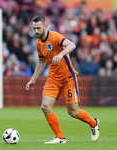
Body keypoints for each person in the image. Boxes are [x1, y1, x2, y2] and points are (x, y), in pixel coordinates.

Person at [26, 16, 100, 144]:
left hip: (68, 79)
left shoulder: (55, 36)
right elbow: (41, 62)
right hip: (53, 79)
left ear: (45, 27)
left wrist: (60, 54)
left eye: (38, 28)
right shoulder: (38, 43)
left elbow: (72, 45)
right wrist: (33, 79)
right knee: (45, 106)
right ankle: (60, 138)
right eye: (34, 29)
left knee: (73, 112)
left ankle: (94, 123)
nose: (36, 31)